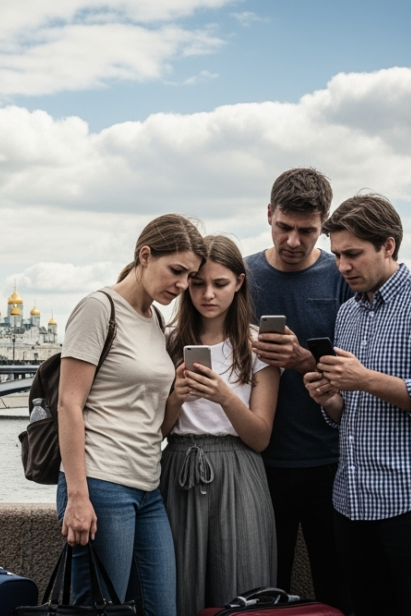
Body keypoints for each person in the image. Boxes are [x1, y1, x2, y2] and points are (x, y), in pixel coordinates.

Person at [304, 194, 411, 616]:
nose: (342, 266)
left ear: (389, 245)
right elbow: (351, 414)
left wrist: (364, 379)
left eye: (353, 254)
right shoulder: (347, 314)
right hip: (353, 501)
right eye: (338, 254)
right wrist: (331, 398)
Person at [59, 213, 206, 616]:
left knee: (162, 609)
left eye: (189, 276)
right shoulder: (98, 308)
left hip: (148, 488)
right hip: (102, 484)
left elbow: (152, 421)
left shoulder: (155, 319)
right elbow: (68, 403)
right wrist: (77, 497)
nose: (181, 285)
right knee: (100, 610)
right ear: (145, 255)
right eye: (176, 271)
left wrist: (177, 394)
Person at [245, 168, 354, 612]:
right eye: (283, 228)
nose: (293, 241)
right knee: (267, 590)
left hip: (333, 460)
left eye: (307, 231)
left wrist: (304, 361)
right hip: (260, 464)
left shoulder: (342, 277)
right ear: (269, 214)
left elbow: (364, 370)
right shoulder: (242, 276)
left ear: (324, 225)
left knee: (338, 587)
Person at [160, 235, 280, 616]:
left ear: (240, 282)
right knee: (179, 586)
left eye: (220, 284)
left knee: (242, 584)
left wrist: (224, 395)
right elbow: (158, 432)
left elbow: (260, 437)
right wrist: (177, 396)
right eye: (197, 283)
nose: (207, 294)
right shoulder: (168, 342)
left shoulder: (259, 345)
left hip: (239, 469)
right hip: (178, 466)